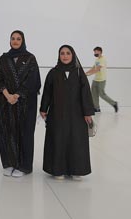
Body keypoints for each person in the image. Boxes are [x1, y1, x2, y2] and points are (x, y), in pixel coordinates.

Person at [40, 45, 95, 180]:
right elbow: (47, 92)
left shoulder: (79, 73)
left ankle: (77, 170)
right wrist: (43, 108)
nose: (65, 56)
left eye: (68, 53)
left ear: (73, 55)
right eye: (62, 53)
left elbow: (85, 93)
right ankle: (58, 170)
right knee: (58, 139)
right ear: (59, 56)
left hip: (77, 115)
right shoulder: (53, 73)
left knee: (76, 141)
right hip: (57, 114)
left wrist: (87, 112)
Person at [0, 30, 41, 177]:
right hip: (5, 103)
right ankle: (9, 163)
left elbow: (33, 80)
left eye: (18, 39)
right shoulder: (3, 59)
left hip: (25, 104)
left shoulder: (30, 58)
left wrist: (17, 95)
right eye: (13, 38)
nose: (15, 41)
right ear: (9, 41)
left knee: (24, 133)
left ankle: (24, 166)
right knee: (6, 132)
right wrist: (8, 95)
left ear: (23, 41)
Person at [84, 46, 118, 113]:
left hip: (101, 80)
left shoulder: (103, 59)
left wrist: (89, 74)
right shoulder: (97, 59)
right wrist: (85, 73)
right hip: (95, 80)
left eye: (95, 52)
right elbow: (93, 68)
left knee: (102, 94)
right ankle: (97, 108)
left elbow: (97, 69)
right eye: (94, 52)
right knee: (94, 94)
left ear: (99, 51)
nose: (94, 53)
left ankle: (114, 103)